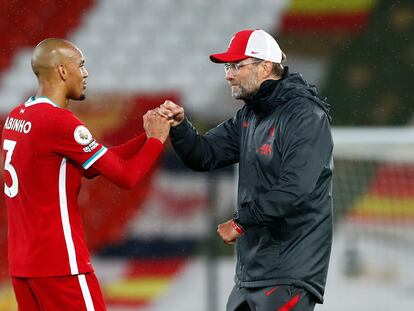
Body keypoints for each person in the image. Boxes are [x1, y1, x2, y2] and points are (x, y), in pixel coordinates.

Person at [159, 29, 333, 311]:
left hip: (290, 270)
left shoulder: (304, 115)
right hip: (251, 273)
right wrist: (180, 127)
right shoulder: (250, 115)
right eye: (228, 67)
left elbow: (295, 187)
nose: (228, 74)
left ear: (265, 67)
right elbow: (204, 155)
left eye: (237, 66)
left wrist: (241, 222)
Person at [1, 38, 170, 310]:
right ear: (63, 71)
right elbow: (126, 176)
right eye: (80, 65)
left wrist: (148, 134)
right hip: (61, 264)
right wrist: (156, 142)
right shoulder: (60, 122)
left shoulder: (17, 116)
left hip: (24, 267)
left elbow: (94, 165)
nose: (86, 73)